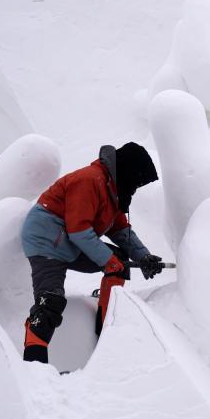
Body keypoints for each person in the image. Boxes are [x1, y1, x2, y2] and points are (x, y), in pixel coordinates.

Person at [19, 142, 165, 364]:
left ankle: (106, 328)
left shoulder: (112, 191)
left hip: (70, 242)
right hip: (46, 240)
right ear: (127, 171)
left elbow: (120, 230)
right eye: (137, 180)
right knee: (50, 303)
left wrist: (143, 256)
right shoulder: (89, 180)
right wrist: (108, 261)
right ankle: (34, 365)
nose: (136, 187)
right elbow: (79, 231)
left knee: (120, 263)